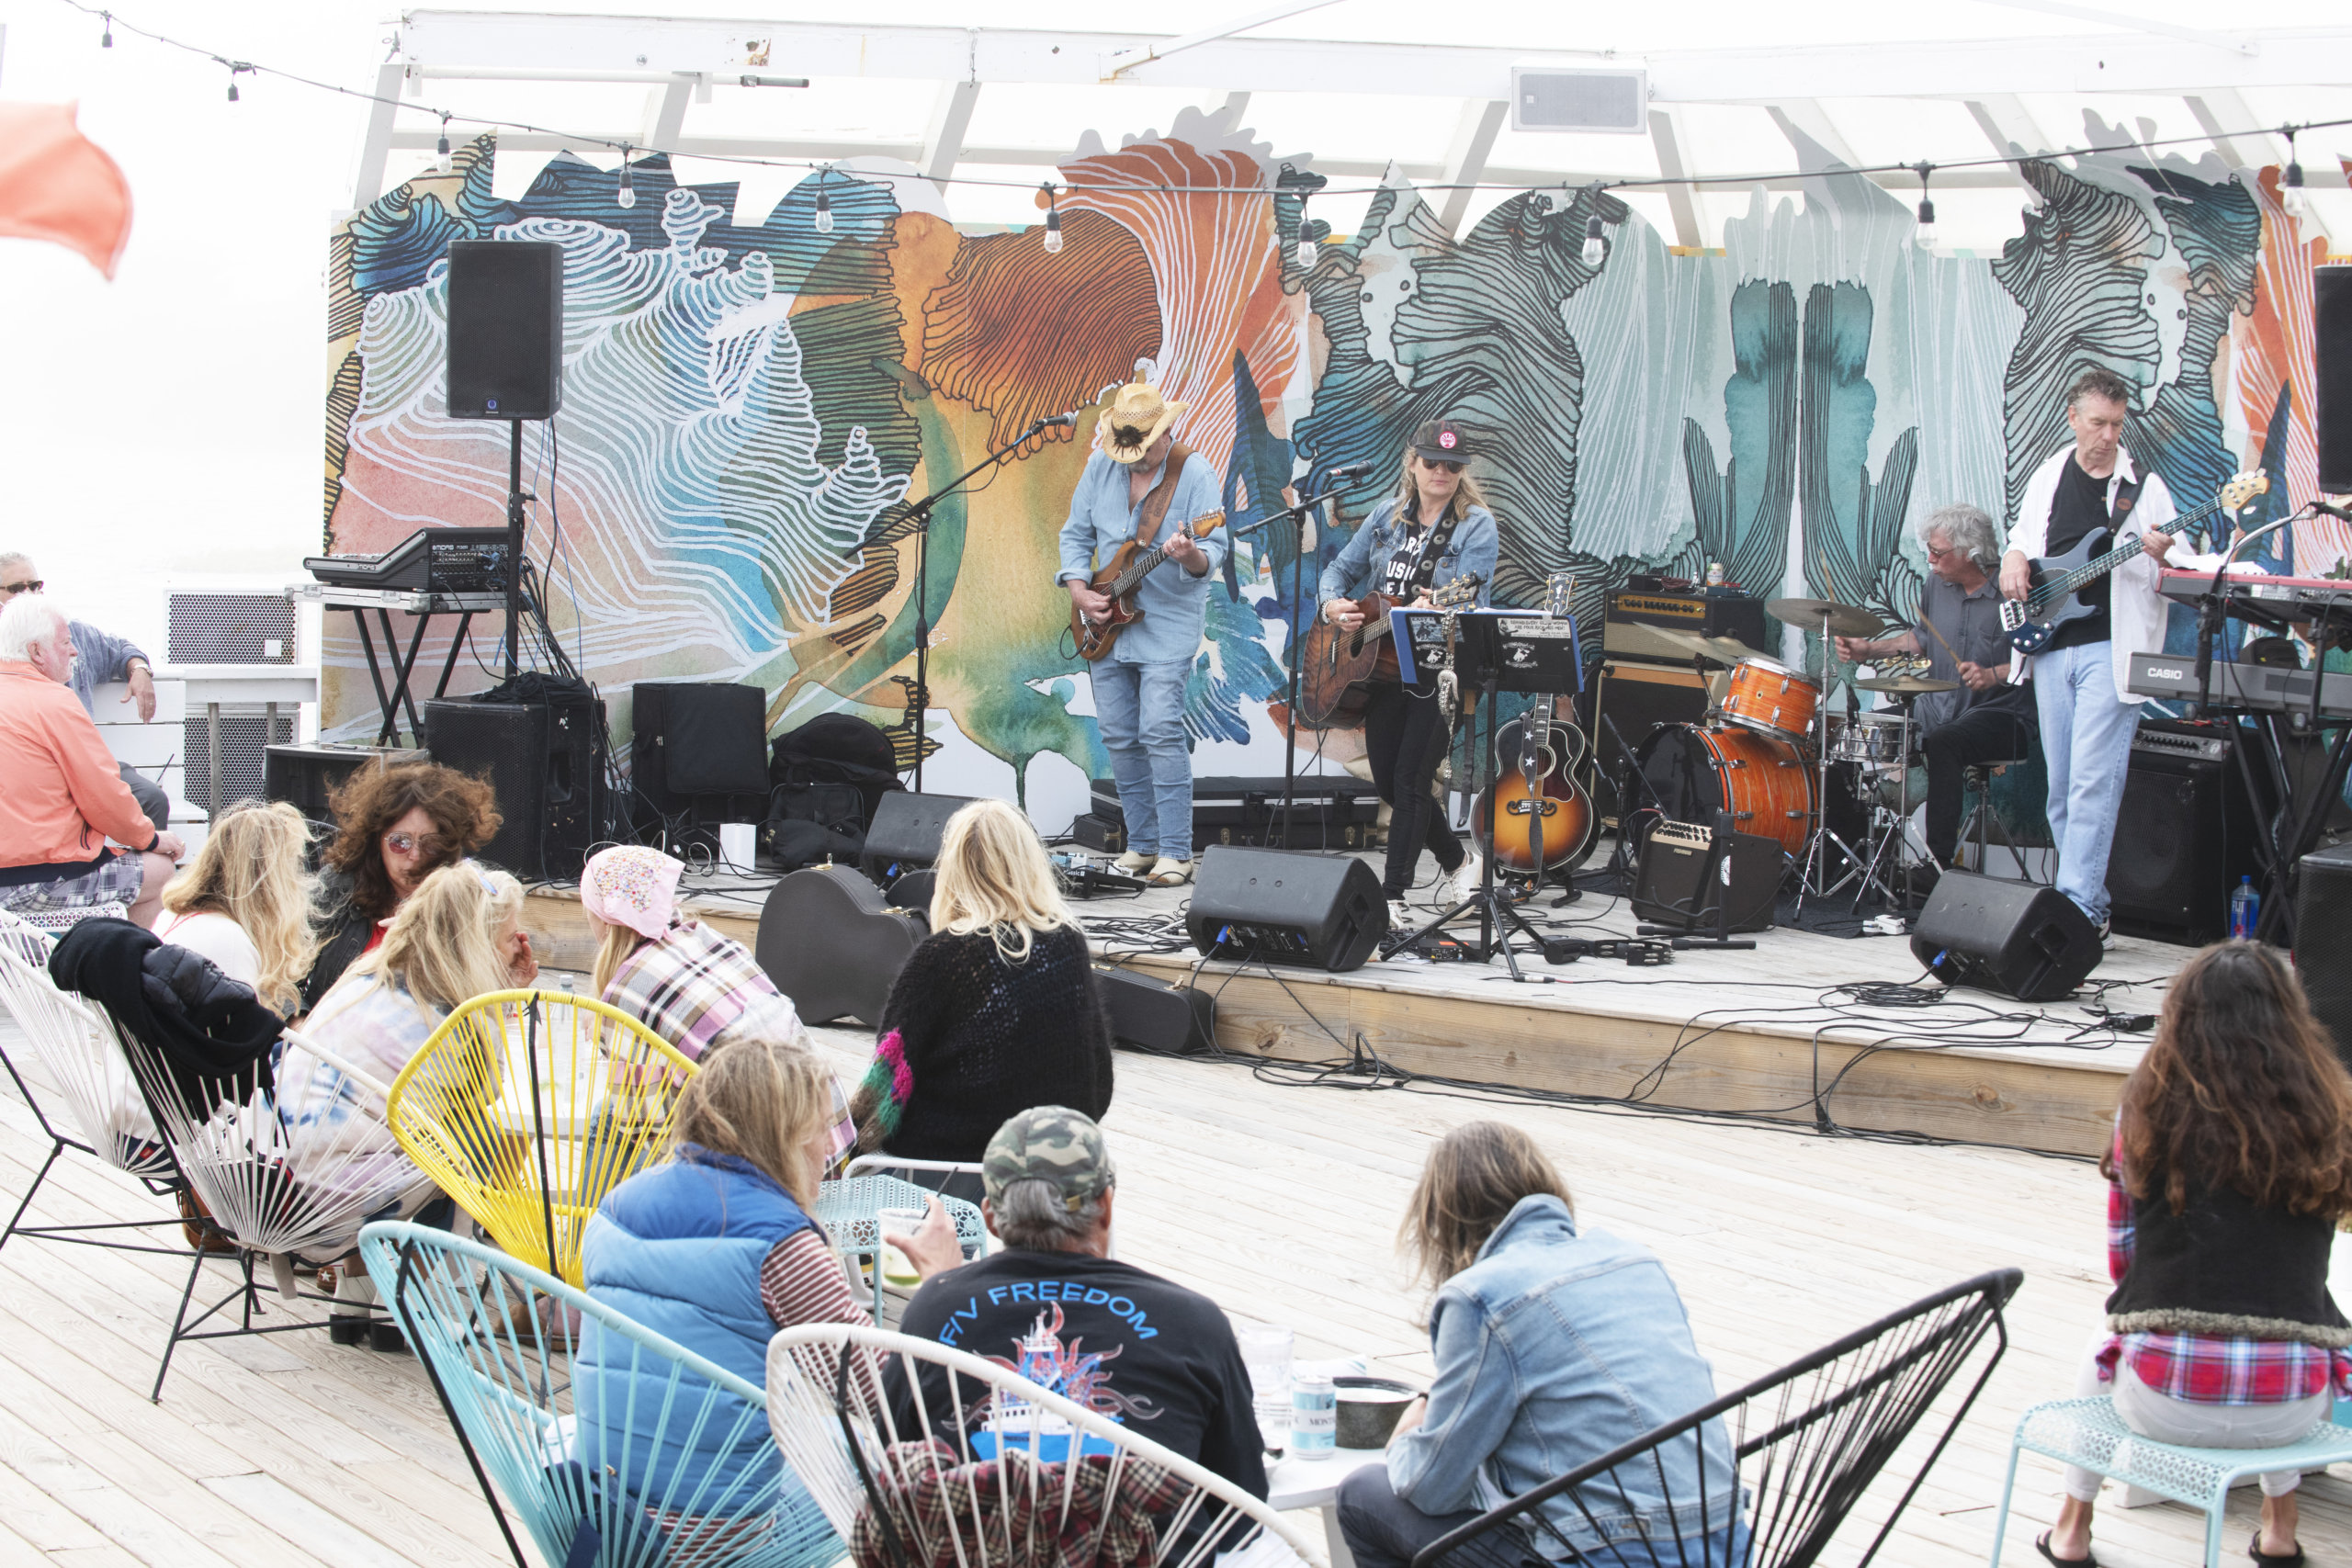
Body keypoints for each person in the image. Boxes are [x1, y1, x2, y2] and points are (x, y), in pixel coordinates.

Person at [2040, 942, 2352, 1568]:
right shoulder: (2328, 1112)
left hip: (2163, 1399)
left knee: (2102, 1345)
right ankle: (2280, 1527)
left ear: (2182, 1015)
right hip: (2293, 1410)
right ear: (2290, 1020)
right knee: (2294, 1325)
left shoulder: (2146, 1109)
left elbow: (2124, 1262)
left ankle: (2072, 1529)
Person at [575, 1037, 955, 1540]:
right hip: (709, 1537)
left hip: (595, 1510)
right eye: (823, 1129)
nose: (829, 1148)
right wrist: (943, 1284)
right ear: (788, 1136)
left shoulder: (614, 1207)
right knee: (899, 1479)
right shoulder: (780, 1245)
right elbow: (890, 1402)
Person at [1338, 1122, 1745, 1568]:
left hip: (1614, 1555)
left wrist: (1406, 1439)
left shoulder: (1482, 1296)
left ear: (1442, 1218)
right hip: (1724, 1544)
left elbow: (1434, 1488)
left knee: (1363, 1496)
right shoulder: (1637, 1261)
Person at [887, 1107, 1268, 1498]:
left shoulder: (932, 1312)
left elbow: (892, 1462)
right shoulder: (1194, 1323)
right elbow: (1243, 1502)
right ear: (1105, 1204)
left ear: (991, 1218)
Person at [276, 861, 539, 1335]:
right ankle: (403, 1298)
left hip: (285, 1185)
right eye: (509, 939)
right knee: (491, 1145)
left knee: (390, 1132)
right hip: (342, 1201)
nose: (517, 949)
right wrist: (505, 998)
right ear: (475, 946)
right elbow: (484, 1106)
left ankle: (354, 1304)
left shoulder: (367, 978)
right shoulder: (451, 1017)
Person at [2000, 368, 2175, 935]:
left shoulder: (2144, 489)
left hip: (2110, 650)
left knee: (2094, 781)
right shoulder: (2049, 474)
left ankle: (2074, 909)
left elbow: (2182, 563)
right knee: (2063, 784)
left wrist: (2162, 553)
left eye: (2117, 425)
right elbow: (2023, 539)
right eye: (2098, 423)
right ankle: (2089, 905)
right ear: (2074, 418)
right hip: (2052, 648)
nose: (2108, 435)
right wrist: (2013, 558)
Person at [851, 801, 1112, 1179]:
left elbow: (885, 1088)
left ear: (952, 870)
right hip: (1056, 1175)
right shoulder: (1068, 945)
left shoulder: (940, 959)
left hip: (946, 1178)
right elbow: (1097, 1081)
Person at [1316, 420, 1499, 926]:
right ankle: (1460, 862)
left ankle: (1391, 897)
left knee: (1412, 780)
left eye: (1453, 465)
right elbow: (1338, 571)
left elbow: (1475, 600)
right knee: (1393, 786)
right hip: (1380, 669)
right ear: (1412, 463)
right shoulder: (1384, 517)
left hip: (1440, 669)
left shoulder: (1475, 524)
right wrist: (1333, 605)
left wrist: (1435, 609)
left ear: (1462, 471)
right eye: (1432, 462)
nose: (1442, 472)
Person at [581, 843, 856, 1179]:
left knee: (606, 1121)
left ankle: (589, 1228)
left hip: (763, 1172)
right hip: (830, 1147)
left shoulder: (626, 992)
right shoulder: (708, 939)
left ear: (604, 920)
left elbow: (640, 1126)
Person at [1059, 381, 1227, 887]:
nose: (1133, 458)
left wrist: (1188, 554)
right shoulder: (1099, 466)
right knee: (1118, 734)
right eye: (1125, 447)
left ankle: (1177, 852)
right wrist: (1078, 590)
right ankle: (1142, 843)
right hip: (1104, 622)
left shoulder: (1194, 472)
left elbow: (1212, 552)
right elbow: (1075, 534)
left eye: (1143, 448)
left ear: (1165, 432)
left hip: (1168, 622)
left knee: (1159, 730)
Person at [1836, 503, 2039, 891]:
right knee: (1861, 734)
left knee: (1946, 741)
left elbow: (2035, 656)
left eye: (1938, 552)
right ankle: (1847, 853)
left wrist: (1993, 674)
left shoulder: (2014, 593)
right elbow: (1921, 638)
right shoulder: (1935, 586)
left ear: (1971, 553)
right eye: (1928, 550)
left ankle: (1937, 865)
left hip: (2002, 715)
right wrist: (1869, 651)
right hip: (1937, 707)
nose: (1929, 559)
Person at [0, 593, 184, 926]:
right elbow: (102, 798)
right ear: (36, 652)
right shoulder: (55, 700)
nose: (74, 651)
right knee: (160, 869)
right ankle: (126, 974)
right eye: (66, 642)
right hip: (31, 882)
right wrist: (152, 839)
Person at [300, 760, 501, 1011]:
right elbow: (280, 972)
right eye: (399, 842)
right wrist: (299, 1022)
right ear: (376, 840)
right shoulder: (339, 884)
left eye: (430, 843)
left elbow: (479, 1001)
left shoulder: (463, 896)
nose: (415, 856)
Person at [0, 552, 170, 835]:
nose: (29, 594)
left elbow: (119, 649)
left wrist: (140, 669)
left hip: (84, 762)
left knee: (152, 799)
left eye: (35, 585)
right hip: (22, 768)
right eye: (17, 588)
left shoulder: (70, 633)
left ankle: (139, 874)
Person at [152, 800, 321, 1018]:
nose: (300, 878)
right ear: (272, 882)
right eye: (294, 865)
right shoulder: (230, 940)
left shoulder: (173, 915)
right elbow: (240, 1040)